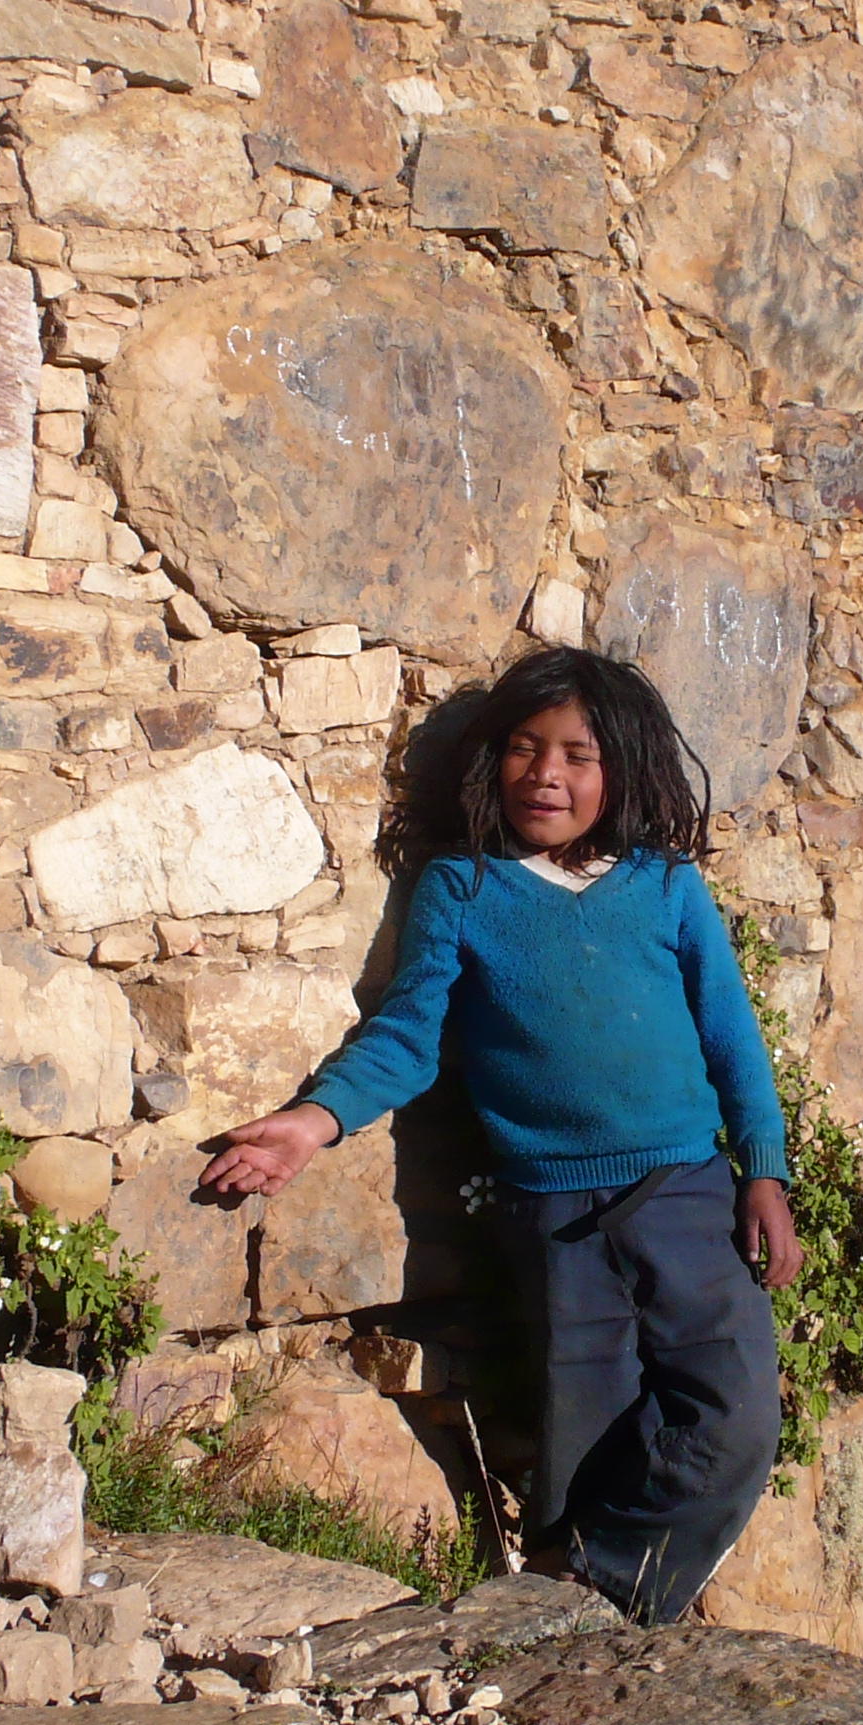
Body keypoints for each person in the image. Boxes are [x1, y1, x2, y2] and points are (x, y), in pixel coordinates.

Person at [197, 647, 796, 1626]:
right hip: (551, 1211)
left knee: (733, 1415)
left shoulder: (665, 888)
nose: (546, 774)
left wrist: (763, 1176)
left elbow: (736, 1044)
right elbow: (406, 1035)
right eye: (524, 748)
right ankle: (580, 1631)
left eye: (575, 754)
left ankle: (617, 1597)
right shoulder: (464, 891)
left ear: (625, 767)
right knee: (581, 1432)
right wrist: (312, 1122)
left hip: (686, 1191)